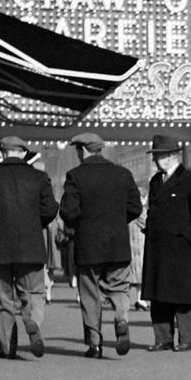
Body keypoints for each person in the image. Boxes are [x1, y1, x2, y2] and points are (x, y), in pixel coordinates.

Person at [0, 135, 58, 359]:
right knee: (34, 292)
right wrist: (36, 225)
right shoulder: (39, 177)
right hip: (32, 246)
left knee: (1, 299)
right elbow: (50, 208)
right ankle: (32, 321)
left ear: (1, 153)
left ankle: (7, 347)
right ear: (24, 153)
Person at [58, 131, 143, 359]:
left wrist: (82, 225)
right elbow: (136, 207)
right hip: (118, 244)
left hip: (88, 246)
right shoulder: (123, 174)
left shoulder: (75, 176)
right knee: (119, 288)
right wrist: (116, 220)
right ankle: (121, 317)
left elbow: (68, 211)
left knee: (89, 295)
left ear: (82, 150)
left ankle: (95, 344)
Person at [141, 134, 191, 352]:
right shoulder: (155, 182)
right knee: (158, 294)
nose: (155, 160)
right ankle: (163, 338)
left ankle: (186, 339)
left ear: (171, 156)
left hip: (180, 248)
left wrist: (188, 238)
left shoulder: (189, 180)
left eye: (158, 156)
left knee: (181, 296)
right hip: (157, 248)